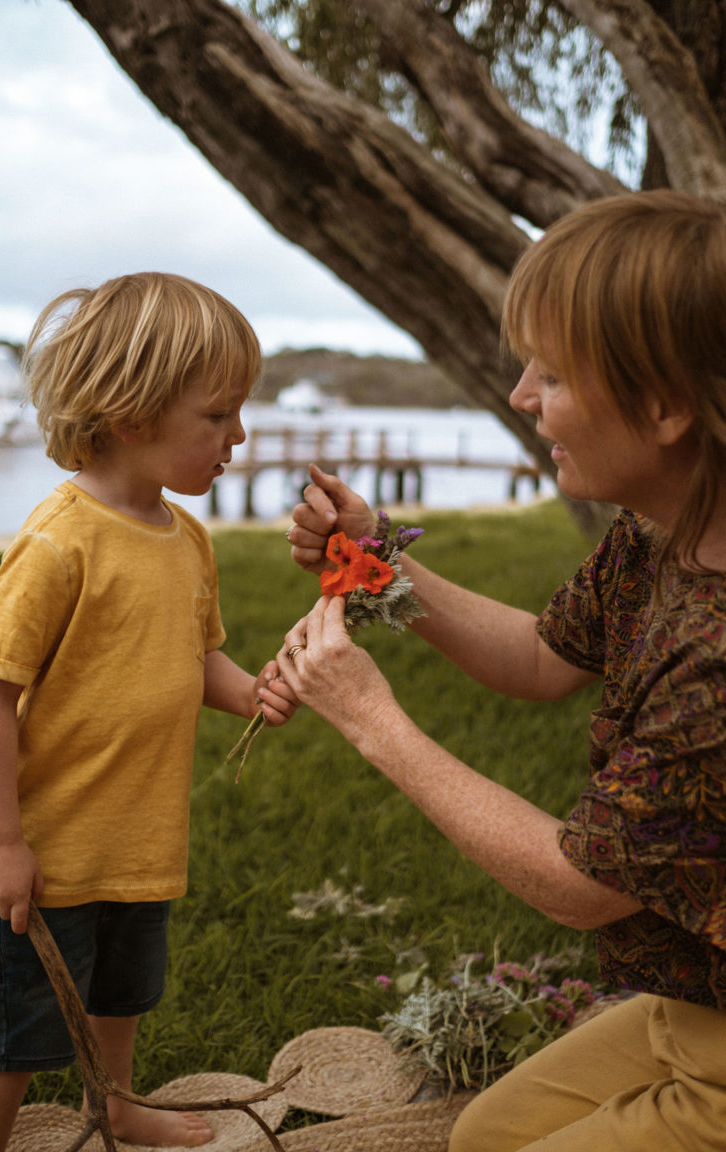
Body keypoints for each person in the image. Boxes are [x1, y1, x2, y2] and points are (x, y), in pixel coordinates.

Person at [280, 190, 726, 1151]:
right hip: (690, 1000)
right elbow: (539, 655)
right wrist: (380, 556)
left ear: (667, 407)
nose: (523, 397)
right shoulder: (660, 538)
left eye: (554, 375)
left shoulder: (718, 664)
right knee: (484, 1134)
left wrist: (372, 721)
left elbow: (582, 885)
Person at [0, 272, 299, 1151]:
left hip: (140, 836)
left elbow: (196, 656)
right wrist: (0, 840)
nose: (239, 434)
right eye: (218, 416)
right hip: (50, 850)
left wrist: (250, 691)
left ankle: (114, 1101)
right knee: (17, 1033)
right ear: (133, 413)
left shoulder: (185, 539)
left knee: (122, 990)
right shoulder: (57, 543)